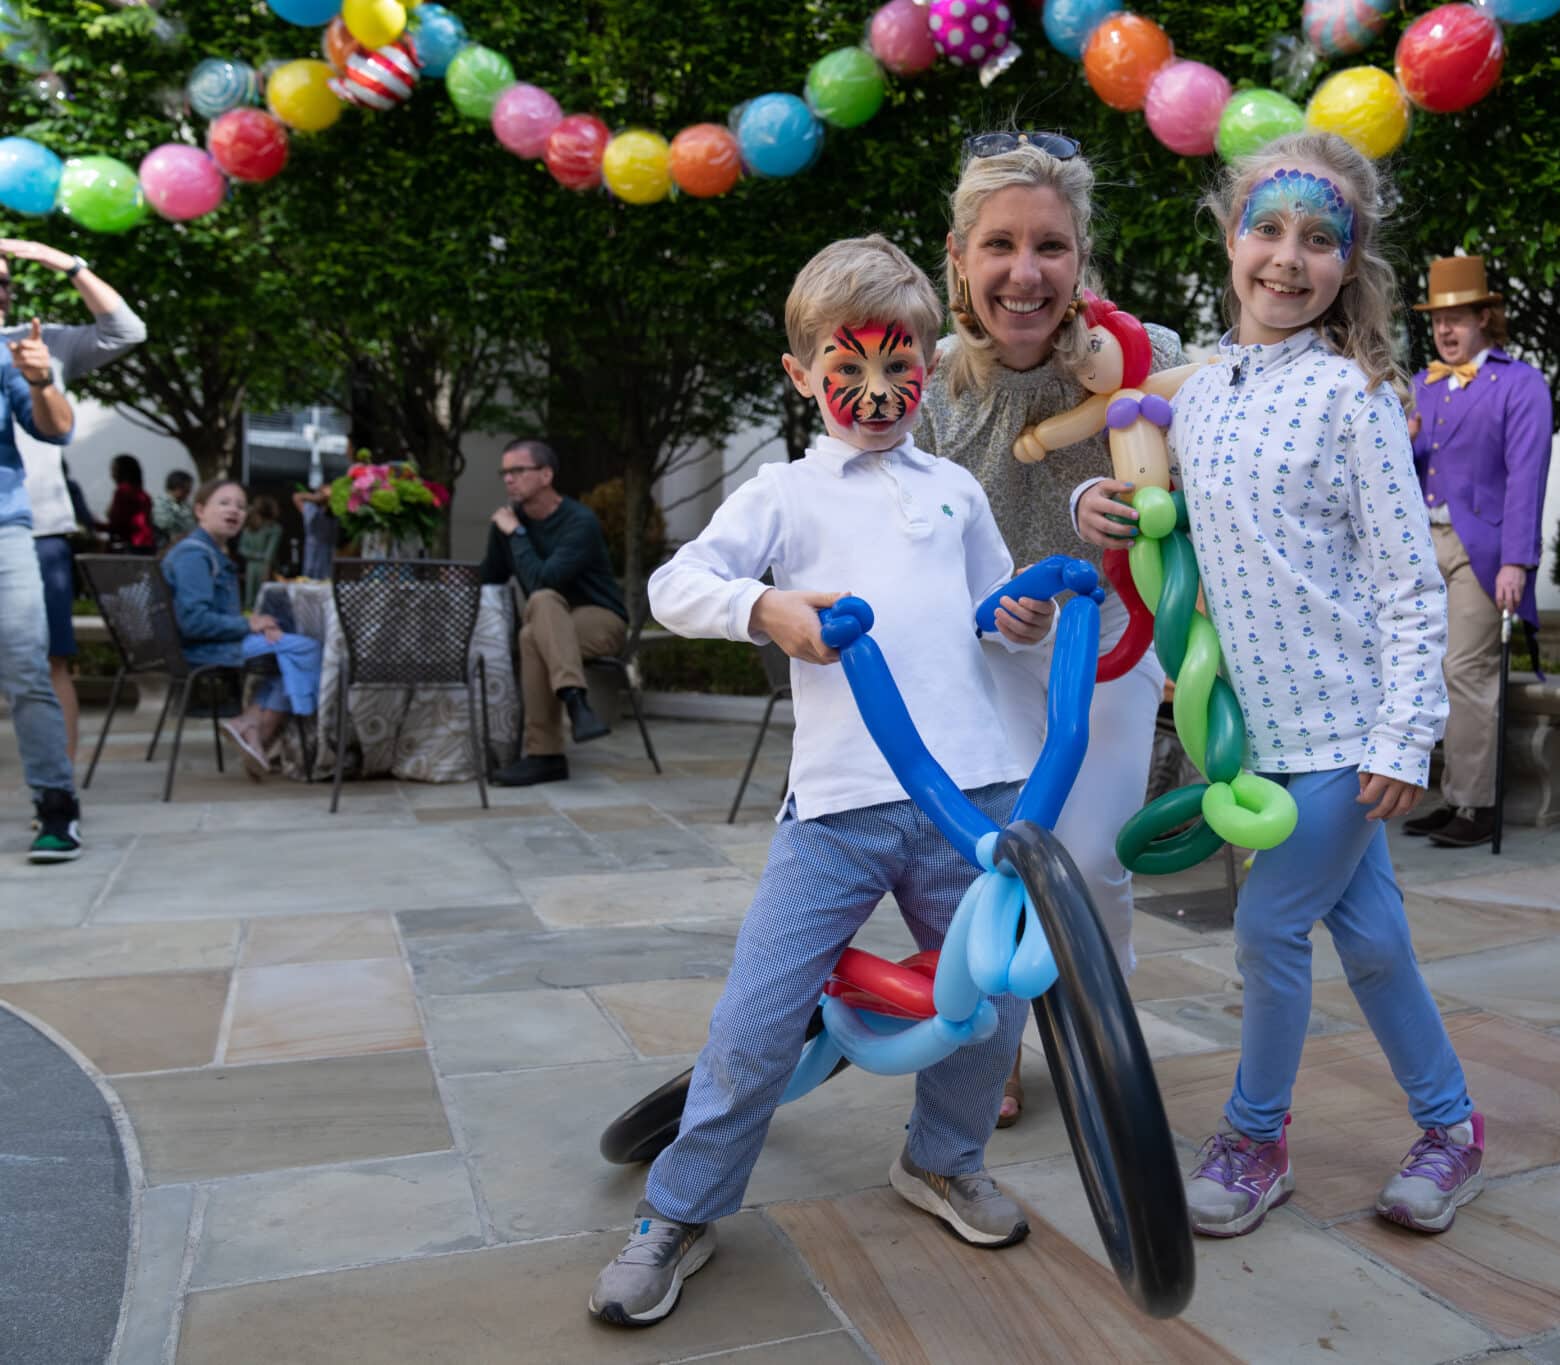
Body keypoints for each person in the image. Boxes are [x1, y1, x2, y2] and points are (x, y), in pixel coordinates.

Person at [593, 236, 1055, 1327]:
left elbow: (992, 617)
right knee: (757, 1019)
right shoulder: (784, 493)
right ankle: (680, 1209)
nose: (879, 391)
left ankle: (942, 1159)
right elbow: (676, 584)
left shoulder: (956, 491)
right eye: (852, 367)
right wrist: (763, 608)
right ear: (802, 374)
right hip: (840, 806)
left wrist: (1020, 617)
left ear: (930, 365)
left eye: (902, 364)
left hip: (971, 798)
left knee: (988, 1009)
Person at [1081, 132, 1480, 1238]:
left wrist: (1405, 737)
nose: (1288, 258)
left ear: (1349, 263)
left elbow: (1409, 582)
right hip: (1256, 739)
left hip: (1347, 737)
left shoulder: (1355, 397)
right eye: (1267, 229)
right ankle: (1451, 1129)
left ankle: (1255, 1139)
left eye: (1319, 239)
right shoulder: (1199, 393)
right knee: (1373, 943)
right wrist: (1088, 507)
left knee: (1265, 928)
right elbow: (1131, 465)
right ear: (1230, 239)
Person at [916, 131, 1185, 1125]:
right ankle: (991, 1046)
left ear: (1081, 258)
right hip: (978, 652)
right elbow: (903, 540)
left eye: (1050, 246)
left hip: (1103, 641)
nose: (1024, 274)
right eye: (999, 245)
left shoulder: (1143, 359)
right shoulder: (926, 384)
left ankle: (1100, 1041)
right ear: (958, 257)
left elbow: (1218, 439)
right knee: (985, 857)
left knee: (1092, 861)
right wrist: (985, 603)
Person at [1397, 255, 1554, 851]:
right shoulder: (1423, 384)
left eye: (1457, 317)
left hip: (1480, 551)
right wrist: (1405, 442)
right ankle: (1450, 796)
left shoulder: (1521, 384)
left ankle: (1476, 805)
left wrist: (1517, 561)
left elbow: (1527, 477)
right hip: (1419, 545)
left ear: (1485, 318)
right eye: (1438, 319)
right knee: (1420, 671)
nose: (1445, 329)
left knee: (1465, 671)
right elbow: (1402, 472)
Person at [5, 242, 148, 765]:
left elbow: (127, 331)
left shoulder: (39, 341)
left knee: (50, 663)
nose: (0, 291)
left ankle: (59, 783)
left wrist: (62, 262)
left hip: (34, 533)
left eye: (4, 281)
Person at [479, 438, 630, 786]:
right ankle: (575, 703)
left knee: (542, 604)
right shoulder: (507, 524)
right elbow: (490, 577)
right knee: (533, 632)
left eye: (518, 470)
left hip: (601, 620)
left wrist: (517, 534)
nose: (508, 479)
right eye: (505, 473)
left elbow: (542, 579)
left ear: (546, 475)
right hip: (550, 626)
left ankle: (545, 755)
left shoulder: (579, 521)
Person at [159, 479, 323, 776]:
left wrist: (256, 626)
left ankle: (251, 727)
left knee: (288, 653)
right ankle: (256, 729)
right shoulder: (194, 555)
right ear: (200, 510)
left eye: (240, 506)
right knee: (309, 649)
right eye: (224, 503)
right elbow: (194, 622)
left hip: (214, 642)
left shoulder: (210, 551)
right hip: (203, 649)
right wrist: (248, 624)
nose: (234, 510)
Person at [0, 313, 83, 861]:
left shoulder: (7, 354)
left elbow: (56, 429)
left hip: (5, 529)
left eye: (5, 283)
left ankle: (57, 807)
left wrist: (42, 381)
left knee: (27, 668)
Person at [102, 453, 154, 555]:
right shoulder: (143, 494)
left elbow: (119, 524)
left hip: (130, 545)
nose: (111, 475)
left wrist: (94, 524)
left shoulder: (123, 492)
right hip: (146, 544)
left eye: (114, 470)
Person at [239, 494, 284, 610]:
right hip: (265, 567)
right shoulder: (274, 529)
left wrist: (254, 555)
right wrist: (264, 564)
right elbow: (270, 554)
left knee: (250, 600)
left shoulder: (249, 528)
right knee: (264, 600)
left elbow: (242, 549)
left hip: (251, 566)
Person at [292, 486, 337, 580]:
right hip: (312, 549)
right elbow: (297, 497)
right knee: (309, 575)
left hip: (327, 551)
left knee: (326, 577)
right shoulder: (311, 509)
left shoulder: (334, 510)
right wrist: (317, 498)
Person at [152, 468, 196, 550]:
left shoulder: (186, 506)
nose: (190, 491)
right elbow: (164, 523)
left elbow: (192, 527)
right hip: (166, 548)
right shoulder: (160, 503)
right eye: (187, 488)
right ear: (177, 486)